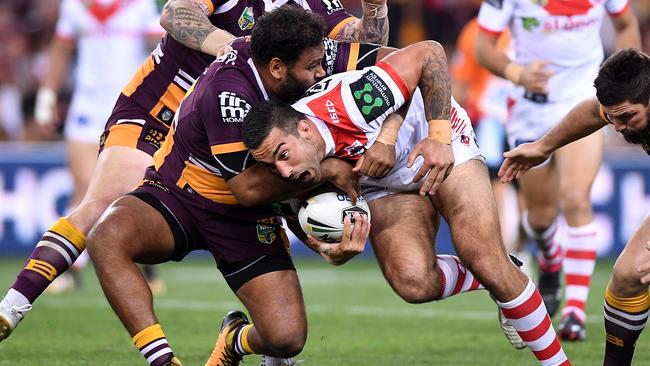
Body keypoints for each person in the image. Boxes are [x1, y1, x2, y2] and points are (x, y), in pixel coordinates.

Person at [0, 0, 389, 347]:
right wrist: (231, 50)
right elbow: (175, 12)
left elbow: (359, 47)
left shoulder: (315, 6)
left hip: (230, 129)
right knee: (102, 204)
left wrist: (375, 9)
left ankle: (269, 346)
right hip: (160, 108)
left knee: (271, 197)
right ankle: (12, 307)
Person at [241, 42, 573, 365]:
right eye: (272, 165)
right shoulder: (290, 171)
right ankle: (501, 273)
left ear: (305, 129)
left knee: (482, 255)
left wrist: (425, 138)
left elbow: (429, 53)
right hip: (379, 181)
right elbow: (309, 229)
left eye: (284, 155)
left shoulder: (349, 103)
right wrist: (334, 254)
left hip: (434, 141)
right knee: (414, 282)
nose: (283, 170)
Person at [475, 0, 641, 340]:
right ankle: (550, 261)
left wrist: (628, 84)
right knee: (539, 218)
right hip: (531, 108)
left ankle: (575, 312)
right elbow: (483, 47)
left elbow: (625, 24)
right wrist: (517, 74)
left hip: (587, 100)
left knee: (576, 198)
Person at [498, 48, 650, 366]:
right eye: (614, 118)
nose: (619, 128)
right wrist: (542, 147)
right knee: (627, 275)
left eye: (626, 117)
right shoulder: (625, 107)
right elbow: (593, 113)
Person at [31, 0, 165, 295]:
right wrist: (47, 95)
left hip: (131, 105)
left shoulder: (141, 5)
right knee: (83, 187)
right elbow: (61, 49)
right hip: (88, 106)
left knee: (133, 187)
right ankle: (70, 271)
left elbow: (161, 47)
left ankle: (145, 263)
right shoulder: (74, 6)